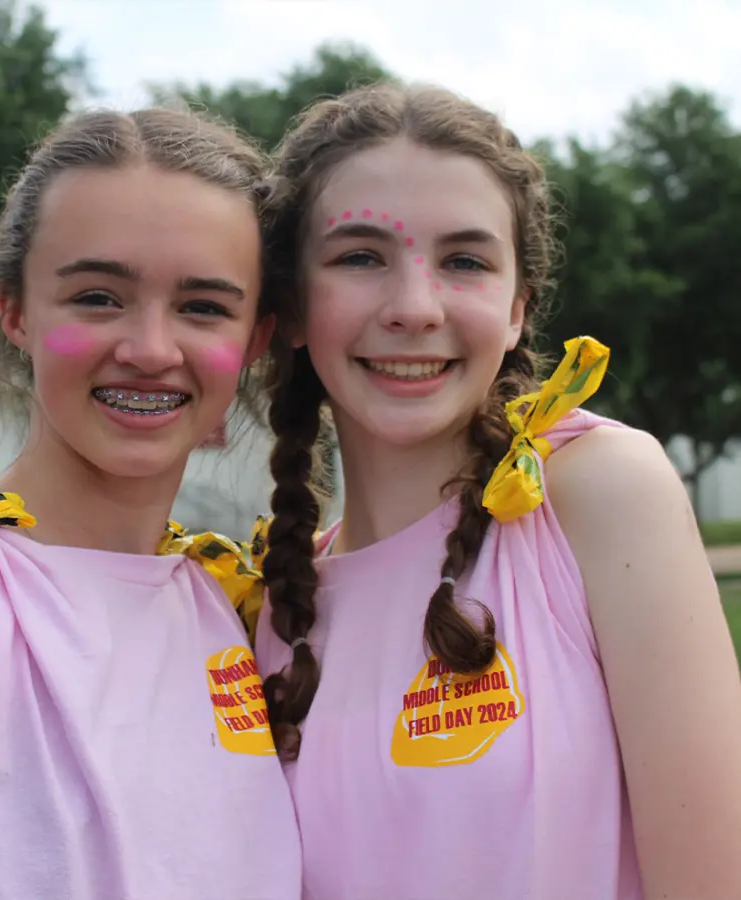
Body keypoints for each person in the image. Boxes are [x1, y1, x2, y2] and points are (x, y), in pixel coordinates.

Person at [252, 82, 741, 900]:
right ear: (295, 306)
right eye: (361, 256)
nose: (414, 307)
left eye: (465, 262)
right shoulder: (271, 608)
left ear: (517, 310)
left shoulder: (595, 489)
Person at [0, 107, 301, 900]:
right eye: (98, 296)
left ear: (256, 339)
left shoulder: (230, 607)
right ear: (16, 310)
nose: (152, 349)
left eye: (203, 308)